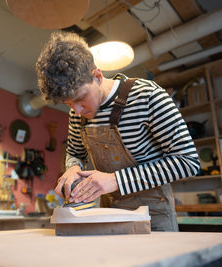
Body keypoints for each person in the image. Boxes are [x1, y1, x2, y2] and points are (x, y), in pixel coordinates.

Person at [36, 31, 200, 231]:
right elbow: (75, 152)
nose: (76, 110)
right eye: (68, 104)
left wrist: (115, 180)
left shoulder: (148, 96)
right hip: (108, 214)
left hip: (153, 216)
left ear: (96, 76)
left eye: (80, 99)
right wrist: (72, 168)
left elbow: (188, 161)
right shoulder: (76, 113)